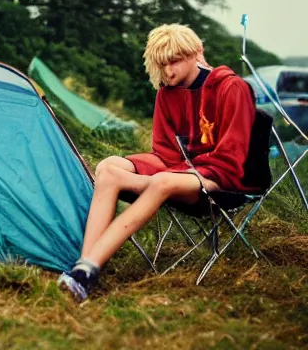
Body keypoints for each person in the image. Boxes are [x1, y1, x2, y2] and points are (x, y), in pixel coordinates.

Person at [58, 24, 257, 302]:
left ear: (193, 55)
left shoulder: (230, 87)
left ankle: (87, 268)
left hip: (222, 180)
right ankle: (85, 269)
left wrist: (164, 177)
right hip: (177, 175)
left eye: (174, 61)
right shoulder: (167, 92)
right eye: (161, 65)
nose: (168, 71)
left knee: (162, 181)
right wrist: (148, 174)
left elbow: (232, 158)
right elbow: (164, 152)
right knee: (107, 169)